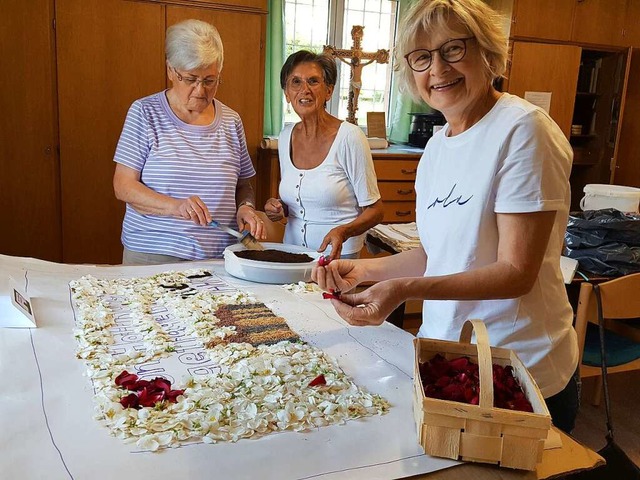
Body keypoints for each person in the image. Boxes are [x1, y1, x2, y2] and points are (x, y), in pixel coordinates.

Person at [313, 0, 580, 433]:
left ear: (488, 53)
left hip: (518, 369)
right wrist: (361, 271)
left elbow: (516, 273)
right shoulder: (437, 146)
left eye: (453, 49)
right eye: (421, 57)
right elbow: (440, 254)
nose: (437, 68)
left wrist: (401, 291)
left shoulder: (523, 130)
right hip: (448, 358)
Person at [113, 19, 265, 265]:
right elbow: (123, 186)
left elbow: (243, 185)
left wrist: (245, 208)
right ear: (171, 71)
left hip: (219, 258)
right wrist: (176, 207)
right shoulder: (144, 113)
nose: (200, 90)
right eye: (191, 78)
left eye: (210, 80)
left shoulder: (231, 121)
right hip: (153, 254)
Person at [263, 50, 384, 260]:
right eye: (296, 82)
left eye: (313, 81)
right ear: (286, 93)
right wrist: (278, 207)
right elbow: (299, 200)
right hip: (292, 253)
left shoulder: (350, 137)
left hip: (337, 256)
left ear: (328, 91)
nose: (305, 90)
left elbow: (375, 211)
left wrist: (343, 232)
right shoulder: (285, 137)